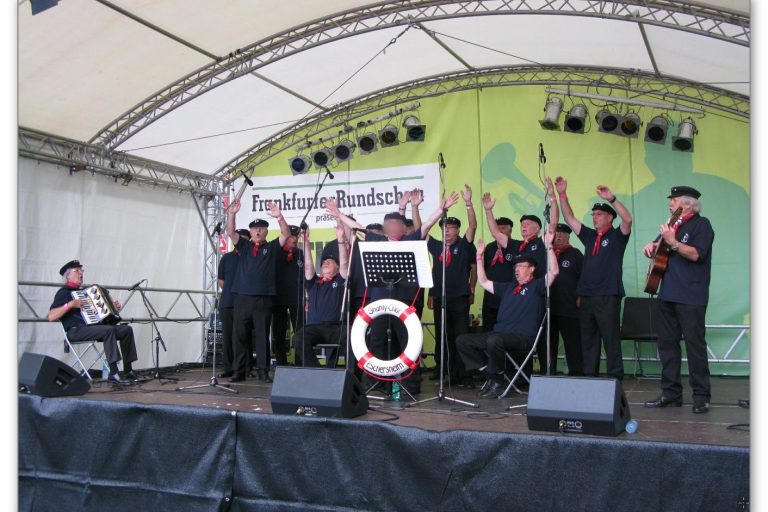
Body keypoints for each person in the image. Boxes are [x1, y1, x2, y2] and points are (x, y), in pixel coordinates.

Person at [326, 190, 459, 394]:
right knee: (377, 341)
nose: (392, 228)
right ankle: (377, 383)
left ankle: (411, 384)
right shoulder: (376, 240)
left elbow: (427, 225)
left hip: (404, 302)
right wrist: (338, 214)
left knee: (408, 343)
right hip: (379, 302)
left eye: (396, 225)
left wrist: (442, 208)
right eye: (388, 225)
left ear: (402, 227)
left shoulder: (411, 239)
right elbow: (356, 227)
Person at [456, 231, 558, 399]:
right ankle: (493, 375)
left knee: (494, 340)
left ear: (531, 269)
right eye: (515, 267)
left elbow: (553, 271)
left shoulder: (537, 286)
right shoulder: (508, 287)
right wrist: (479, 258)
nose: (517, 270)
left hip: (522, 337)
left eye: (521, 266)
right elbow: (483, 282)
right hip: (499, 334)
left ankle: (496, 380)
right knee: (463, 341)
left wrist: (549, 247)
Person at [643, 186, 715, 414]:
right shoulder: (673, 225)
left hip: (691, 295)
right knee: (667, 346)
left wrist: (673, 243)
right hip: (667, 293)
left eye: (673, 201)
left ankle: (701, 396)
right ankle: (671, 393)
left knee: (694, 345)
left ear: (687, 204)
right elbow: (660, 250)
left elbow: (696, 254)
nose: (670, 204)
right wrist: (652, 246)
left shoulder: (702, 225)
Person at [556, 177, 632, 380]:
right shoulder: (590, 236)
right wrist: (562, 194)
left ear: (610, 217)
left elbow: (627, 220)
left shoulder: (617, 236)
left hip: (608, 294)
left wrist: (612, 199)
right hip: (587, 296)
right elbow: (569, 218)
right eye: (593, 215)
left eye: (599, 214)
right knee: (588, 339)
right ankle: (590, 377)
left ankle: (615, 377)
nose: (595, 217)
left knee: (610, 338)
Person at [226, 199, 291, 383]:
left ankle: (263, 372)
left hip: (262, 299)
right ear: (251, 231)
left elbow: (286, 234)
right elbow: (230, 232)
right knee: (239, 336)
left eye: (261, 228)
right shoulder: (244, 246)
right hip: (242, 298)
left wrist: (279, 217)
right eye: (255, 229)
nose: (257, 231)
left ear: (266, 231)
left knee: (262, 337)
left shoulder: (271, 247)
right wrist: (231, 214)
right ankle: (239, 371)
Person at [48, 260, 138, 384]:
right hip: (75, 330)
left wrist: (112, 308)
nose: (81, 273)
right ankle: (114, 372)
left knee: (126, 330)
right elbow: (51, 316)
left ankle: (128, 370)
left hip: (94, 329)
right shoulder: (64, 293)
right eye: (77, 271)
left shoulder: (86, 292)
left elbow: (99, 315)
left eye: (81, 270)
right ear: (68, 275)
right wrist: (69, 305)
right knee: (108, 330)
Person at [427, 184, 477, 384]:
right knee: (443, 335)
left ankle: (464, 373)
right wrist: (415, 207)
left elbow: (473, 226)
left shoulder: (464, 245)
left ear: (458, 230)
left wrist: (468, 203)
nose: (446, 231)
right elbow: (422, 230)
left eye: (451, 228)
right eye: (444, 228)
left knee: (461, 336)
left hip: (459, 298)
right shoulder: (436, 246)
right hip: (440, 297)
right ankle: (445, 371)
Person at [293, 224, 349, 367]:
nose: (325, 263)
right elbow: (308, 265)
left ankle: (351, 374)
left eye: (330, 262)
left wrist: (340, 239)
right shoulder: (313, 283)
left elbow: (344, 263)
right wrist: (306, 241)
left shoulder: (340, 280)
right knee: (298, 338)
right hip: (315, 328)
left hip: (336, 328)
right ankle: (316, 371)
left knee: (352, 336)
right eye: (323, 262)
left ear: (337, 269)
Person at [542, 223, 584, 376]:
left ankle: (576, 373)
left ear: (568, 237)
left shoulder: (575, 254)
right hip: (548, 307)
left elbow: (584, 277)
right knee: (548, 343)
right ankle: (548, 373)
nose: (559, 236)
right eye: (556, 233)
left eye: (562, 233)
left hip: (569, 307)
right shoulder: (546, 254)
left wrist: (580, 296)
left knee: (573, 342)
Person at [217, 228, 250, 378]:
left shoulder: (251, 257)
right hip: (228, 302)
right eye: (239, 238)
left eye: (244, 240)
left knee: (244, 337)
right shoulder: (227, 258)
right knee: (228, 336)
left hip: (245, 303)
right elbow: (221, 280)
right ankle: (228, 368)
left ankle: (245, 368)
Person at [271, 225, 304, 366]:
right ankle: (281, 364)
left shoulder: (301, 254)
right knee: (279, 333)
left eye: (296, 236)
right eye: (291, 236)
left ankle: (300, 363)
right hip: (278, 299)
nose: (294, 239)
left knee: (300, 332)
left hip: (297, 298)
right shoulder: (275, 252)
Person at [480, 216, 516, 332]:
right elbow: (484, 271)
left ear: (511, 229)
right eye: (497, 228)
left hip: (509, 298)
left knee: (508, 332)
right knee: (488, 330)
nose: (499, 231)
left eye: (503, 228)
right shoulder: (489, 248)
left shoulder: (517, 247)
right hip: (490, 298)